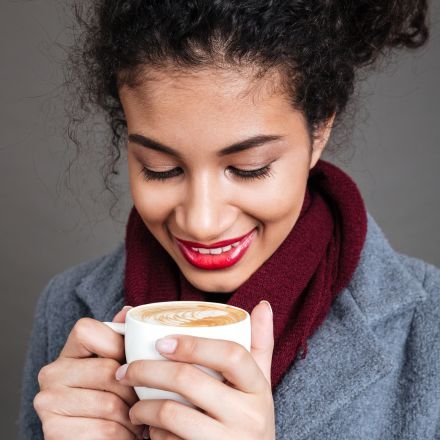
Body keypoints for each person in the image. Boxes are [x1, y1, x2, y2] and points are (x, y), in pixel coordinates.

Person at [19, 1, 439, 439]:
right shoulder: (67, 308)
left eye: (249, 167)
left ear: (319, 129)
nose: (202, 223)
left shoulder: (430, 326)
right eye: (161, 168)